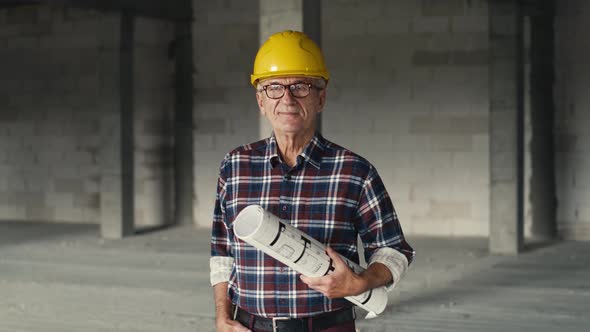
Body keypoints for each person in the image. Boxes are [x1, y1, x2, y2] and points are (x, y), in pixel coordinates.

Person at [210, 30, 415, 332]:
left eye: (301, 87)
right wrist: (222, 316)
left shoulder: (354, 171)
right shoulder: (235, 166)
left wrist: (360, 282)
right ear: (260, 101)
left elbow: (393, 250)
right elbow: (222, 252)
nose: (287, 98)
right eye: (274, 87)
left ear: (321, 97)